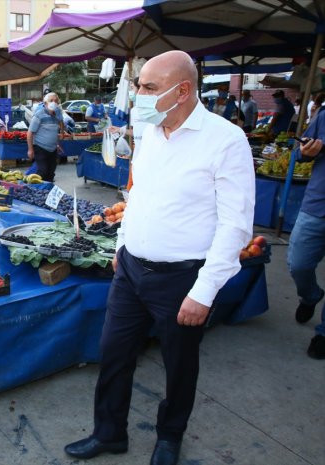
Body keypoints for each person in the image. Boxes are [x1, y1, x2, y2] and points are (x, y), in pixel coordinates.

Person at [64, 50, 255, 465]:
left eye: (148, 87)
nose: (138, 95)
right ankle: (109, 432)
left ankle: (170, 436)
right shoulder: (150, 132)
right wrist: (120, 247)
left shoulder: (225, 140)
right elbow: (136, 196)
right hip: (130, 270)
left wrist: (204, 291)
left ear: (181, 90)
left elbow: (235, 225)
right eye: (138, 86)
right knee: (113, 354)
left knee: (179, 365)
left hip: (182, 279)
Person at [286, 110, 325, 360]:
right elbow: (300, 154)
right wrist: (306, 152)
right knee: (298, 264)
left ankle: (323, 333)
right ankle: (311, 294)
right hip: (317, 205)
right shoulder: (323, 116)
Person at [27, 92, 65, 182]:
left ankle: (47, 192)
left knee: (51, 173)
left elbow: (58, 127)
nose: (54, 102)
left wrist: (58, 143)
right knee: (42, 171)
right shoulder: (39, 115)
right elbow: (30, 133)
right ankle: (35, 191)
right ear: (45, 103)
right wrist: (30, 149)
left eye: (56, 101)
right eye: (51, 100)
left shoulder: (57, 113)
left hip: (53, 149)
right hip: (40, 148)